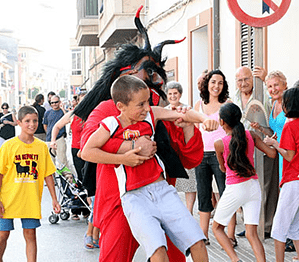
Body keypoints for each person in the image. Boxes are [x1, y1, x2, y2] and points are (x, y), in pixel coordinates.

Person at [81, 75, 219, 261]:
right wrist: (125, 156)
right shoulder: (110, 122)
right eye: (141, 104)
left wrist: (203, 119)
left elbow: (182, 114)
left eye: (147, 102)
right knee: (157, 250)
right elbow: (86, 151)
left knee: (197, 241)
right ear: (120, 105)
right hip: (132, 196)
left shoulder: (149, 114)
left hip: (161, 189)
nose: (146, 107)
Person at [0, 106, 60, 262]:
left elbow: (48, 174)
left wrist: (54, 199)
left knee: (30, 234)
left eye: (35, 121)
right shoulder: (9, 146)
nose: (32, 124)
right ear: (19, 122)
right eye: (27, 121)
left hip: (30, 199)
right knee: (3, 234)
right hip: (8, 200)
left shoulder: (42, 147)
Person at [213, 103, 277, 262]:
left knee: (217, 228)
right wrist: (270, 142)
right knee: (251, 234)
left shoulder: (220, 143)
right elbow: (272, 154)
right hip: (253, 187)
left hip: (235, 188)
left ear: (222, 122)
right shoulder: (252, 135)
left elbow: (222, 168)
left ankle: (235, 260)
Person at [233, 66, 278, 239]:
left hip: (264, 147)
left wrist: (266, 79)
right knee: (247, 187)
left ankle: (266, 226)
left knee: (266, 187)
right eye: (240, 80)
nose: (243, 83)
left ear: (252, 79)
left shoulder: (262, 94)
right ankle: (250, 225)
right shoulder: (234, 98)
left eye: (246, 79)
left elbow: (275, 100)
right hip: (243, 149)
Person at [193, 69, 236, 245]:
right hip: (202, 155)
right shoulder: (198, 105)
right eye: (213, 82)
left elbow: (233, 131)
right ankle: (204, 235)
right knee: (203, 195)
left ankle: (230, 235)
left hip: (223, 155)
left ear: (223, 85)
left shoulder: (228, 104)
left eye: (220, 82)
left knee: (227, 194)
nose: (216, 86)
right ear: (207, 84)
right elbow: (195, 130)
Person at [263, 87, 299, 262]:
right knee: (295, 225)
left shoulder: (289, 125)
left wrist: (274, 143)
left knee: (279, 227)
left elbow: (289, 155)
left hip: (293, 179)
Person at [165, 81, 197, 214]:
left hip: (185, 148)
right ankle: (174, 211)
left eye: (175, 93)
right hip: (171, 150)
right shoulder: (164, 111)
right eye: (170, 94)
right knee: (171, 184)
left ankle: (188, 212)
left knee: (190, 182)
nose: (173, 96)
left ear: (180, 94)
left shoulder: (187, 109)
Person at [43, 95, 67, 167]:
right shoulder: (47, 112)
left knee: (62, 160)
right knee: (50, 161)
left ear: (59, 102)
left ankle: (65, 176)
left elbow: (69, 118)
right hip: (49, 139)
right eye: (52, 103)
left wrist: (63, 109)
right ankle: (52, 177)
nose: (54, 104)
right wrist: (50, 134)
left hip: (60, 138)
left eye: (56, 102)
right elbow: (45, 125)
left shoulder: (62, 112)